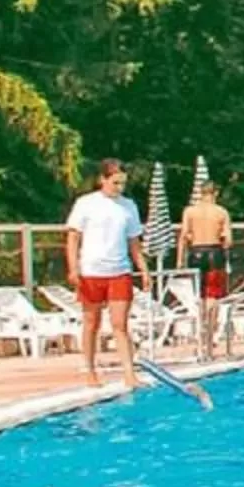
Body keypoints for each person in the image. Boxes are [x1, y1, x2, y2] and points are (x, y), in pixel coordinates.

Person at [63, 158, 148, 391]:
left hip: (119, 271)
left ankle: (129, 373)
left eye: (123, 183)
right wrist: (73, 268)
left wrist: (143, 269)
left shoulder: (128, 206)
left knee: (120, 324)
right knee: (92, 323)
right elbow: (73, 238)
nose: (119, 188)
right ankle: (90, 371)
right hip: (91, 270)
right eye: (115, 182)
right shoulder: (86, 203)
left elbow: (134, 243)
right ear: (103, 179)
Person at [178, 178, 234, 360]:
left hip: (195, 252)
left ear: (200, 193)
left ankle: (200, 343)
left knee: (199, 299)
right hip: (214, 253)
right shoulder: (221, 212)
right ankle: (209, 344)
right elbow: (228, 241)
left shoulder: (190, 211)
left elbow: (183, 236)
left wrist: (179, 260)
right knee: (212, 298)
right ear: (215, 193)